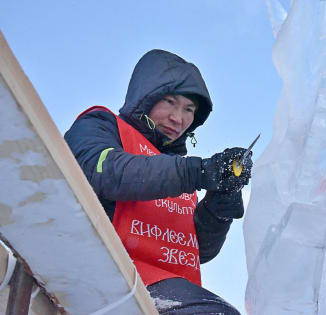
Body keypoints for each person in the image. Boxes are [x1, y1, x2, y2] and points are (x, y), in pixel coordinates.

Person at [64, 49, 252, 314]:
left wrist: (220, 200)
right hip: (98, 268)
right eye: (170, 102)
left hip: (158, 284)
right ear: (145, 97)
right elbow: (106, 172)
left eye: (189, 109)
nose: (179, 118)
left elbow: (198, 252)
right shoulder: (102, 126)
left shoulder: (176, 173)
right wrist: (199, 173)